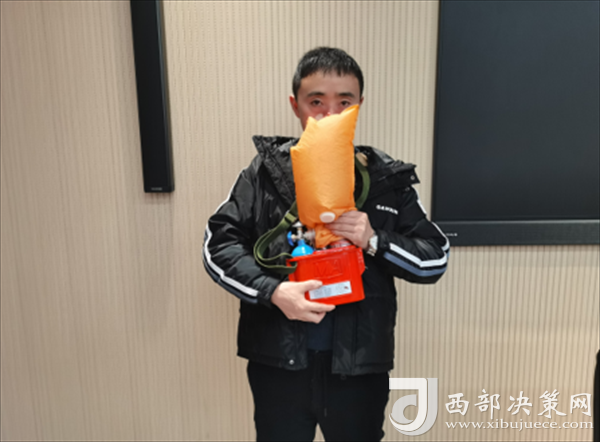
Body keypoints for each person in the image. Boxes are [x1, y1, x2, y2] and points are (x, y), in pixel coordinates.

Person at [203, 47, 450, 442]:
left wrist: (374, 240)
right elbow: (218, 245)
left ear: (359, 105)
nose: (329, 114)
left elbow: (434, 258)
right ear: (296, 106)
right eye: (316, 102)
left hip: (359, 370)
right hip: (278, 366)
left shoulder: (385, 178)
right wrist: (273, 292)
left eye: (344, 102)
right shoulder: (264, 173)